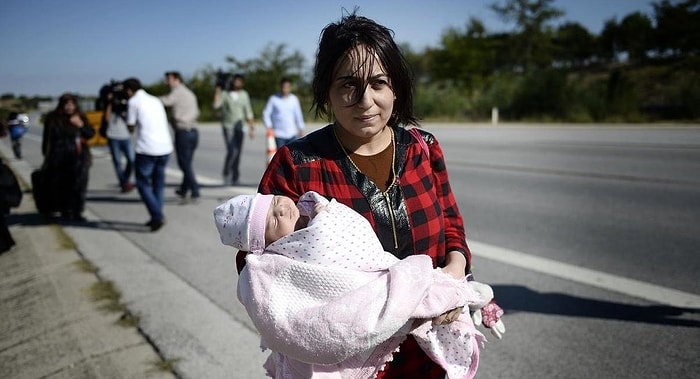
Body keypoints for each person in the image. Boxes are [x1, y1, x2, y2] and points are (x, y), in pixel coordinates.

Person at [256, 12, 505, 378]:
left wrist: (454, 272)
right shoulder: (296, 165)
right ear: (326, 90)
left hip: (430, 346)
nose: (365, 101)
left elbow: (451, 222)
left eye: (378, 83)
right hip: (348, 361)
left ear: (396, 88)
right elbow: (258, 266)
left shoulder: (424, 147)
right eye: (348, 85)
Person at [214, 190, 493, 378]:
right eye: (273, 221)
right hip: (367, 298)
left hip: (389, 273)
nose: (282, 210)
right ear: (266, 245)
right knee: (417, 294)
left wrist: (455, 266)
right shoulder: (280, 261)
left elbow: (361, 246)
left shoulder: (322, 214)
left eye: (275, 202)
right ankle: (444, 295)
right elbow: (301, 309)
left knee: (425, 289)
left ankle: (450, 294)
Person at [124, 78, 173, 232]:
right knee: (158, 184)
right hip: (165, 147)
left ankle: (157, 216)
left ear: (129, 90)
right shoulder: (155, 100)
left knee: (143, 184)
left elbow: (131, 128)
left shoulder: (133, 102)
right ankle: (155, 217)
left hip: (147, 149)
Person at [41, 93, 95, 222]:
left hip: (79, 156)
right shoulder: (53, 119)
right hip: (59, 156)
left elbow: (90, 134)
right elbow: (48, 139)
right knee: (61, 185)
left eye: (72, 104)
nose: (69, 107)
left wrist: (80, 125)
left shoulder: (80, 117)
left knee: (79, 185)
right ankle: (63, 210)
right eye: (67, 104)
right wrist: (47, 156)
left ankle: (77, 211)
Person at [160, 71, 200, 203]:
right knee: (187, 162)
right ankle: (184, 188)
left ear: (177, 79)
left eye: (169, 80)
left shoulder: (177, 92)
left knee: (184, 164)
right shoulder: (189, 93)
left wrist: (149, 99)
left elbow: (166, 101)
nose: (167, 82)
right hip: (193, 131)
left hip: (183, 131)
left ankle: (195, 190)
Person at [212, 74, 254, 185]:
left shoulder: (244, 94)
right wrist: (218, 89)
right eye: (236, 81)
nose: (237, 83)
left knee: (238, 152)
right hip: (228, 126)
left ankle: (235, 176)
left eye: (240, 81)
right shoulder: (225, 94)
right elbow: (216, 105)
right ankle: (226, 173)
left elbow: (248, 110)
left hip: (239, 127)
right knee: (232, 151)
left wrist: (251, 127)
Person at [101, 86, 135, 193]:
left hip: (125, 136)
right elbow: (106, 118)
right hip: (113, 136)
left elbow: (131, 118)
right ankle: (124, 183)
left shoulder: (127, 104)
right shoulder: (110, 104)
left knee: (132, 160)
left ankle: (124, 179)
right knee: (117, 162)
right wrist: (110, 102)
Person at [262, 77, 305, 148]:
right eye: (283, 87)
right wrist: (269, 127)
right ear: (280, 87)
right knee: (281, 156)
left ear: (290, 87)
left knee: (292, 157)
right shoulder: (273, 99)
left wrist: (301, 128)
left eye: (287, 87)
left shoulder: (294, 99)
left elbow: (298, 115)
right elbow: (266, 113)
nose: (285, 89)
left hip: (292, 133)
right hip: (278, 134)